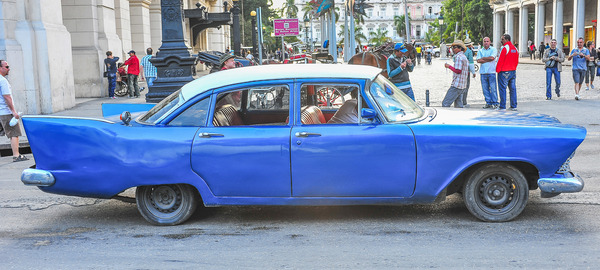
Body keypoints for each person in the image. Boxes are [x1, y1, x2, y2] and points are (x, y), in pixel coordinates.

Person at [0, 60, 28, 162]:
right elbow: (7, 97)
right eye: (6, 67)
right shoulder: (2, 81)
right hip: (6, 112)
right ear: (0, 68)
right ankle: (16, 155)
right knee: (14, 134)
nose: (9, 69)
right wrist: (14, 112)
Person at [442, 40, 469, 108]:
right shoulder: (464, 57)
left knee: (445, 103)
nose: (453, 49)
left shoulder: (458, 57)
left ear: (460, 48)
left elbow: (458, 71)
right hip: (462, 85)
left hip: (456, 85)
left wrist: (449, 66)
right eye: (452, 47)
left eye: (455, 47)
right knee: (458, 105)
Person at [496, 34, 519, 110]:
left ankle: (502, 106)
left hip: (504, 71)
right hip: (512, 71)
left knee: (502, 89)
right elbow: (516, 60)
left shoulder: (505, 48)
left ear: (506, 39)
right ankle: (513, 105)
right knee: (512, 89)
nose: (501, 41)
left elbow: (500, 60)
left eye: (502, 39)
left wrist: (498, 70)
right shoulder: (515, 48)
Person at [476, 37, 499, 109]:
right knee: (485, 89)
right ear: (483, 42)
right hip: (483, 72)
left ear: (490, 42)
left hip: (491, 72)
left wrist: (483, 58)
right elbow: (478, 60)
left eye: (487, 41)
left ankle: (495, 102)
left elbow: (492, 58)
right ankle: (488, 102)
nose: (486, 43)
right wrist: (488, 59)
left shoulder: (493, 49)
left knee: (493, 88)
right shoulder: (480, 50)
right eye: (485, 41)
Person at [463, 39, 477, 107]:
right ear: (469, 45)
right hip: (467, 72)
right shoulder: (469, 51)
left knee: (460, 87)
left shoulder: (460, 51)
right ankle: (464, 102)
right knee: (466, 86)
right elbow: (471, 63)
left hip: (460, 71)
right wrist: (473, 72)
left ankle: (459, 101)